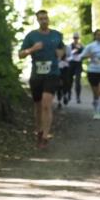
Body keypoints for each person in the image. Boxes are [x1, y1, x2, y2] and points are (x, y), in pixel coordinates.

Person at [18, 10, 65, 149]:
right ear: (37, 20)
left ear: (48, 19)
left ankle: (45, 136)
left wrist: (60, 54)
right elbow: (21, 54)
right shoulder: (32, 36)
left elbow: (62, 48)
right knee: (38, 106)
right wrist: (32, 49)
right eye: (41, 19)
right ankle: (39, 130)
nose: (44, 21)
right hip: (37, 75)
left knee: (46, 104)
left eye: (46, 18)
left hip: (52, 73)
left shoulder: (56, 35)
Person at [67, 32, 85, 104]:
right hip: (71, 64)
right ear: (73, 38)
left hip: (78, 64)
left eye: (77, 38)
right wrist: (75, 51)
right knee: (69, 81)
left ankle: (78, 97)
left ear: (78, 38)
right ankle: (69, 94)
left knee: (78, 81)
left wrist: (81, 55)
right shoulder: (69, 46)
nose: (76, 39)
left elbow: (84, 55)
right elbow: (68, 54)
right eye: (74, 38)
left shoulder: (82, 46)